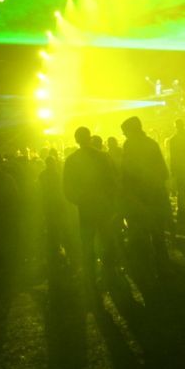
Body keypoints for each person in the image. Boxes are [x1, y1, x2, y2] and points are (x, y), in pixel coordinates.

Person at [63, 127, 119, 304]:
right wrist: (110, 201)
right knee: (106, 239)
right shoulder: (102, 156)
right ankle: (111, 275)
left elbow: (67, 188)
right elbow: (113, 181)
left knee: (87, 243)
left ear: (76, 140)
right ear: (90, 138)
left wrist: (79, 200)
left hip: (85, 208)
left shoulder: (71, 160)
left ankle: (91, 279)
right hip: (102, 206)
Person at [120, 116, 171, 283]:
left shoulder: (129, 146)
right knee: (158, 236)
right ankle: (164, 268)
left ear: (131, 130)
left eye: (125, 132)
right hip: (156, 196)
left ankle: (149, 273)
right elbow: (164, 172)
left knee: (142, 237)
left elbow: (127, 174)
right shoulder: (152, 144)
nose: (124, 135)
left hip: (139, 199)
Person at [167, 119, 185, 223]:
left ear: (176, 127)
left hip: (179, 169)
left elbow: (172, 157)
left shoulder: (173, 140)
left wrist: (172, 171)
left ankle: (182, 213)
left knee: (181, 191)